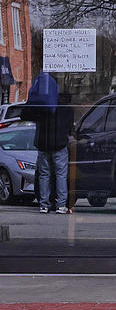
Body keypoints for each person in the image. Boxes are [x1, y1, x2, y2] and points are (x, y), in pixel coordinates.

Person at [21, 72, 74, 214]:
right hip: (59, 144)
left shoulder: (41, 104)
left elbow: (24, 114)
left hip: (43, 143)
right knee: (61, 174)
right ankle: (61, 205)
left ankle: (44, 204)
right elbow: (70, 128)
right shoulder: (66, 108)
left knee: (44, 174)